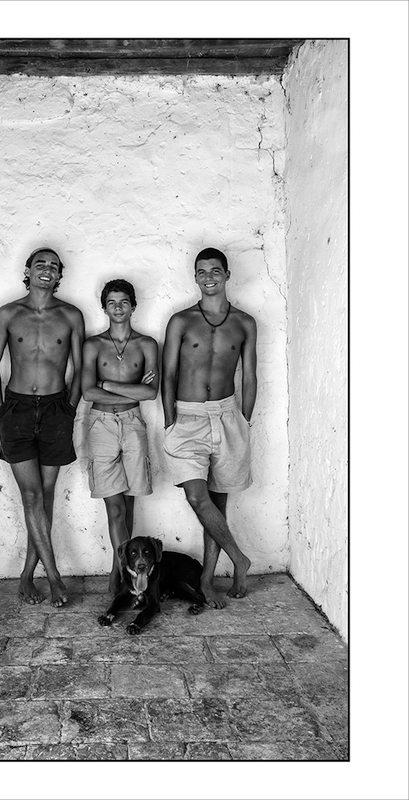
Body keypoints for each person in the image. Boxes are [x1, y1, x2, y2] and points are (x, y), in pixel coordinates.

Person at [0, 247, 84, 607]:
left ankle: (27, 575)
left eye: (53, 266)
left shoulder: (70, 315)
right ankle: (54, 577)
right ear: (28, 271)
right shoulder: (9, 313)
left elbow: (80, 368)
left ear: (59, 275)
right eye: (40, 264)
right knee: (31, 496)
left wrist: (70, 408)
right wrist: (2, 411)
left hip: (57, 409)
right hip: (18, 409)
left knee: (45, 495)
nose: (47, 269)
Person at [161, 247, 256, 607]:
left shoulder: (244, 322)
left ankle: (206, 580)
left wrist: (244, 420)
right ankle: (240, 559)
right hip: (187, 418)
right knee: (197, 497)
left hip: (228, 417)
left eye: (215, 270)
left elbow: (250, 375)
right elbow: (168, 373)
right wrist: (169, 420)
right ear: (195, 277)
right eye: (201, 271)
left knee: (217, 503)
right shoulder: (181, 321)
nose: (208, 277)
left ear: (227, 274)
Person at [81, 279, 159, 593]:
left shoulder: (146, 344)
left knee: (128, 507)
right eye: (111, 302)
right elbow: (88, 392)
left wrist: (109, 385)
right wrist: (131, 389)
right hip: (100, 424)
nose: (118, 308)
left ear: (133, 306)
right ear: (104, 307)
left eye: (124, 301)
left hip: (133, 423)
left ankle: (125, 574)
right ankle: (120, 576)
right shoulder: (93, 345)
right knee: (114, 509)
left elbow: (151, 393)